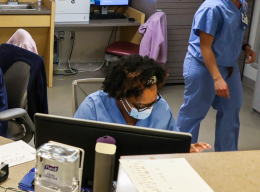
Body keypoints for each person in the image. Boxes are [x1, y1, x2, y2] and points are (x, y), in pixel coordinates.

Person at [177, 0, 256, 152]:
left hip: (229, 67)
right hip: (203, 67)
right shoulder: (212, 8)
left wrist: (246, 46)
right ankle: (181, 154)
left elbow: (235, 31)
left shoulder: (241, 4)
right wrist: (217, 78)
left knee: (231, 111)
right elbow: (205, 47)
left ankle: (227, 156)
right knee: (193, 114)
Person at [74, 55, 210, 153]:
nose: (149, 109)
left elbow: (172, 142)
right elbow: (75, 151)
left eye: (152, 102)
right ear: (119, 95)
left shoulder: (161, 108)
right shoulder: (93, 107)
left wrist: (182, 149)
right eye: (140, 105)